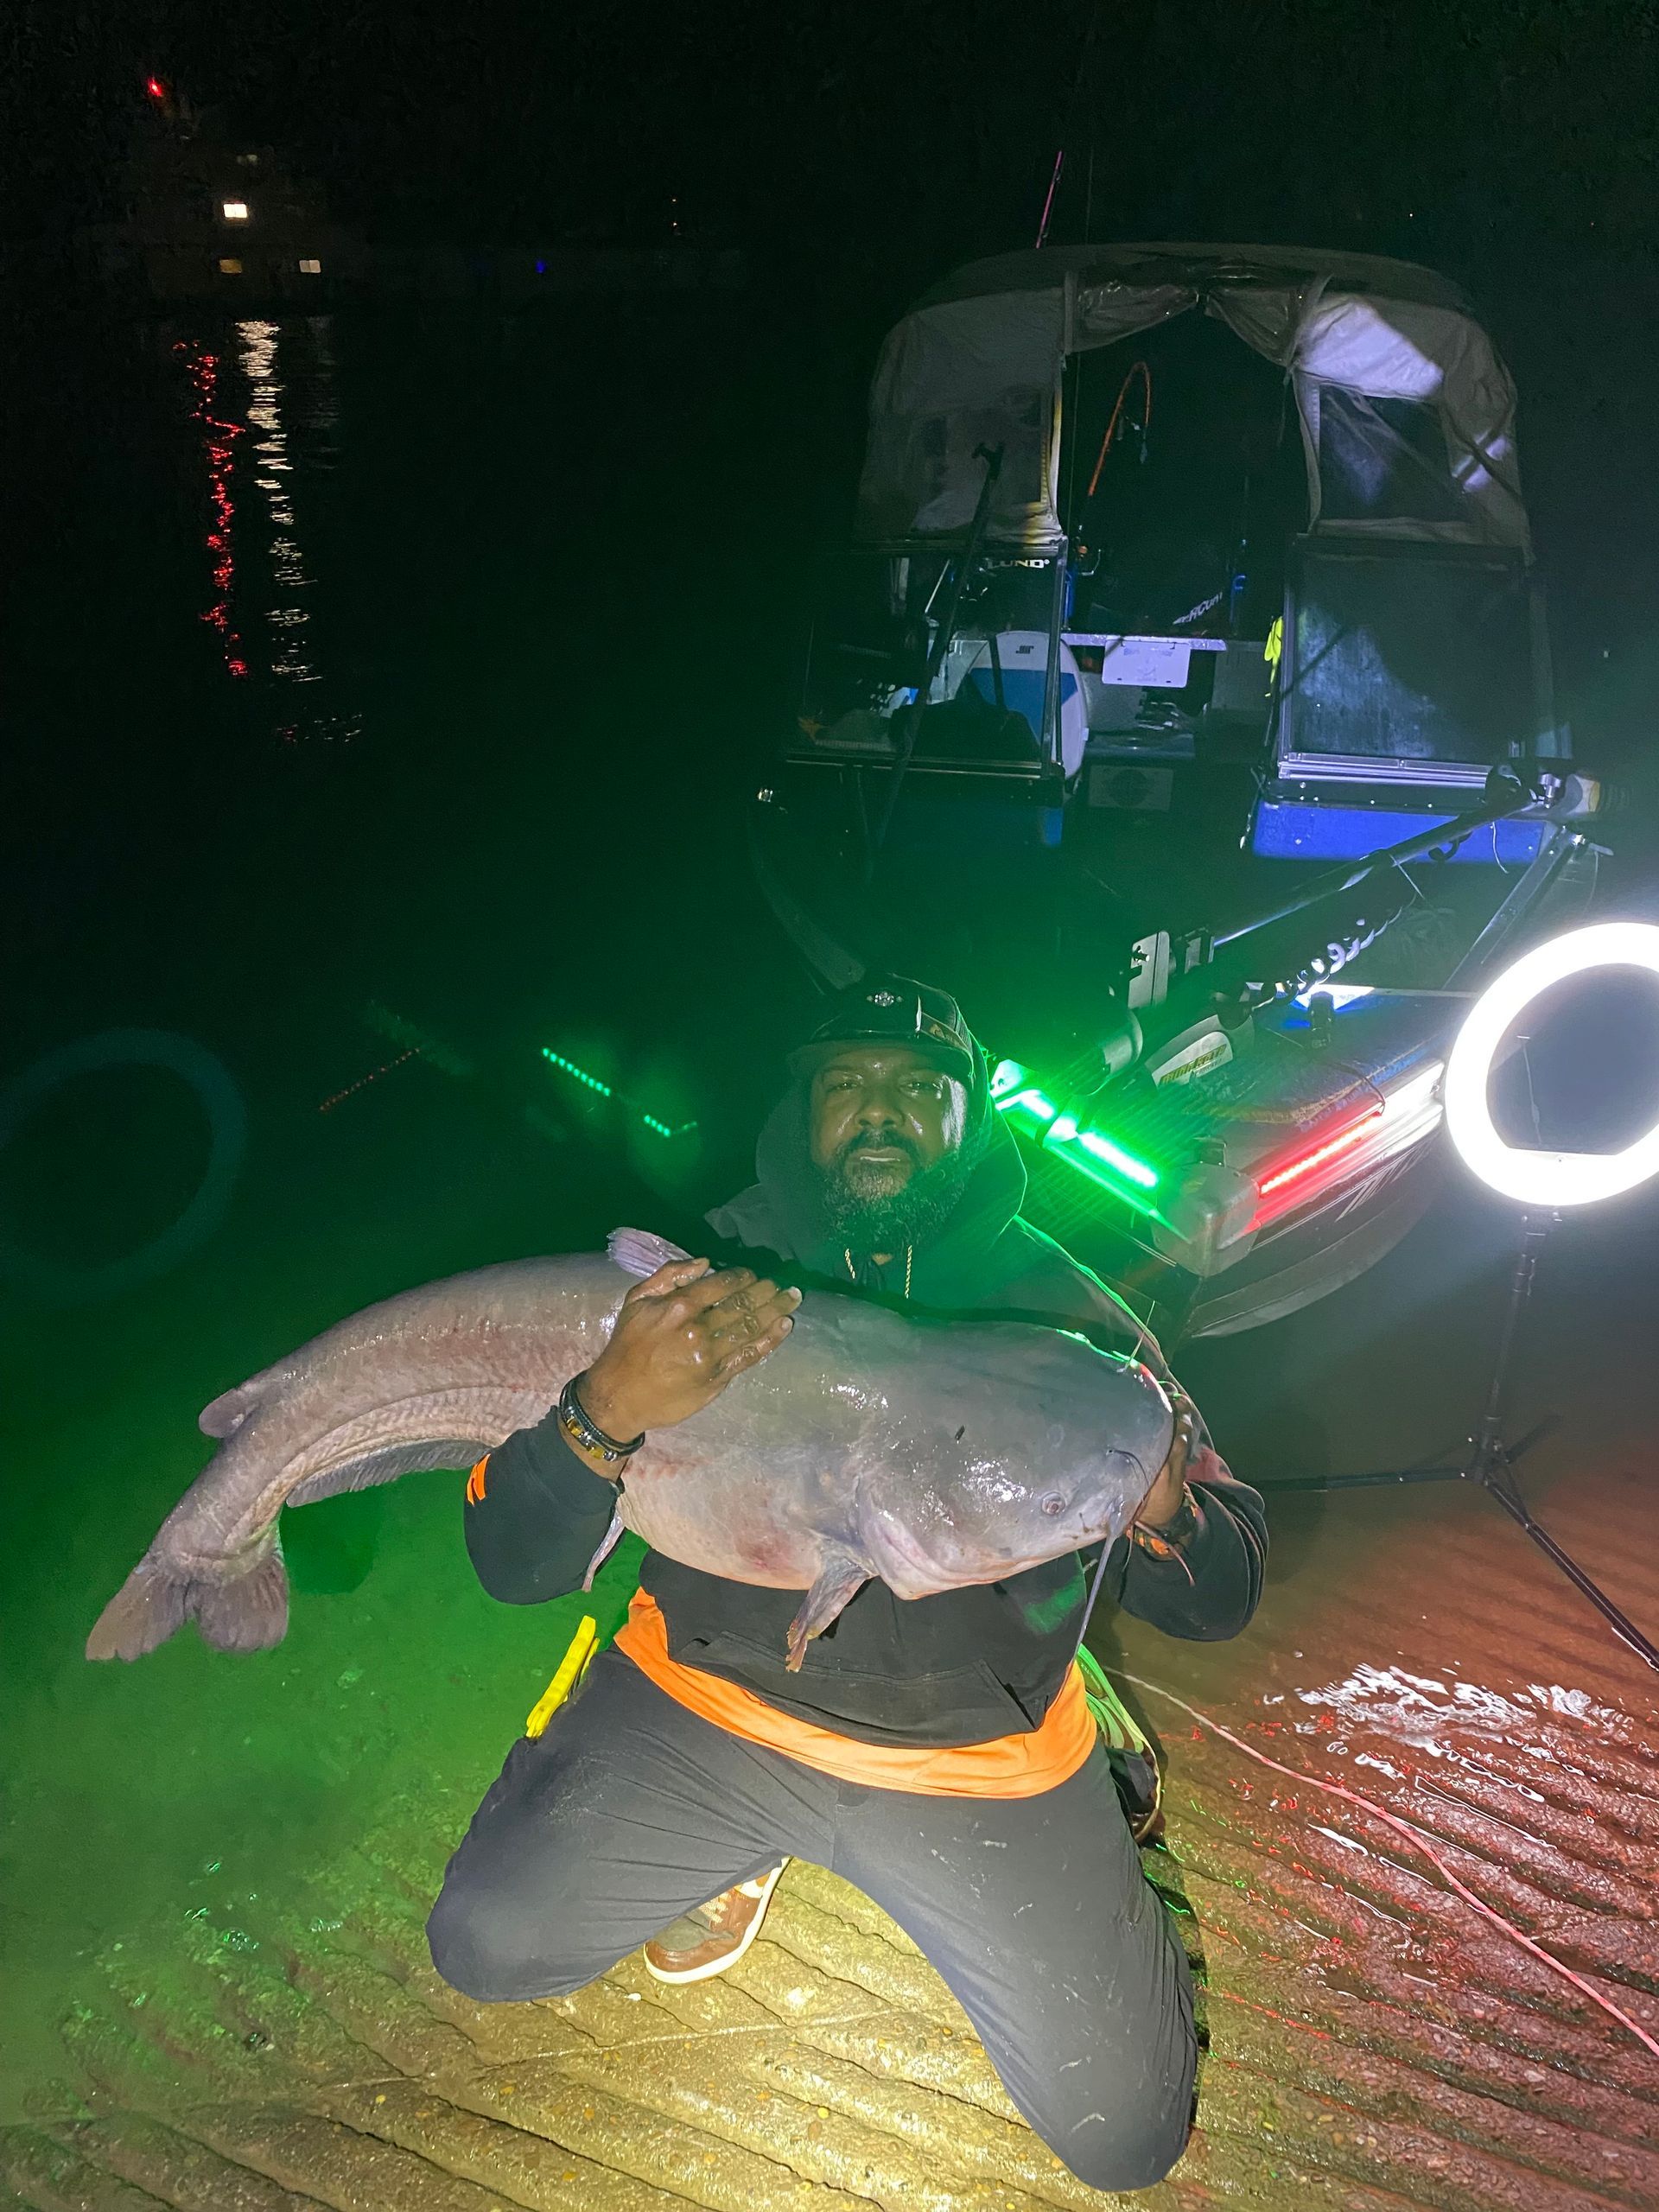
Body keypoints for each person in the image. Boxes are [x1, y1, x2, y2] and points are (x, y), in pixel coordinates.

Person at [428, 975, 1267, 2192]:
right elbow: (513, 1564)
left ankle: (1082, 1713)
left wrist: (1163, 1502)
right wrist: (602, 1413)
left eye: (920, 1090)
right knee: (487, 1946)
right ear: (801, 1109)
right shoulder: (701, 1282)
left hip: (978, 1751)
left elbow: (1222, 1592)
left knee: (1130, 2138)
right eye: (845, 1086)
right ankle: (738, 1839)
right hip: (703, 1706)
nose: (880, 1114)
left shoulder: (1077, 1321)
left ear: (972, 1117)